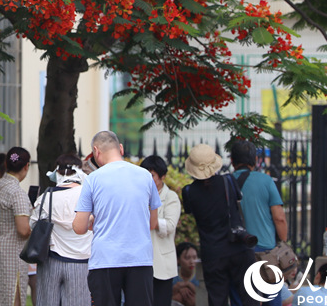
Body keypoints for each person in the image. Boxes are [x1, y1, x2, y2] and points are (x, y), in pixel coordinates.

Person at [72, 130, 162, 306]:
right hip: (140, 259)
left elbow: (79, 227)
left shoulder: (93, 179)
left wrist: (92, 221)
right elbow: (153, 222)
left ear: (96, 152)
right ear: (120, 148)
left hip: (105, 259)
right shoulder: (145, 176)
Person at [182, 143, 258, 306]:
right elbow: (237, 200)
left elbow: (190, 211)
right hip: (238, 247)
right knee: (249, 298)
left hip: (213, 253)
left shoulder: (188, 191)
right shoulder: (228, 181)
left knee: (217, 300)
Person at [231, 141, 288, 306]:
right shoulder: (266, 181)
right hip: (265, 251)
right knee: (271, 296)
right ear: (255, 160)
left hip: (236, 250)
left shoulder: (225, 182)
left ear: (233, 161)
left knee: (239, 298)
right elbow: (279, 217)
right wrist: (283, 243)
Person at [30, 153, 92, 306]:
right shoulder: (89, 195)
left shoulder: (46, 197)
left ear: (57, 172)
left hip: (51, 260)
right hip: (81, 262)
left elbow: (32, 224)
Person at [0, 146, 33, 306]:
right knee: (13, 296)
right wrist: (34, 231)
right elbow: (22, 230)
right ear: (27, 166)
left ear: (6, 164)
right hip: (12, 251)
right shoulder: (17, 193)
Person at [141, 155, 181, 306]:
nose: (148, 180)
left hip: (162, 263)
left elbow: (170, 225)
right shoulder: (139, 195)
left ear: (162, 176)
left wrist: (150, 218)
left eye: (151, 175)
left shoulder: (170, 197)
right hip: (141, 261)